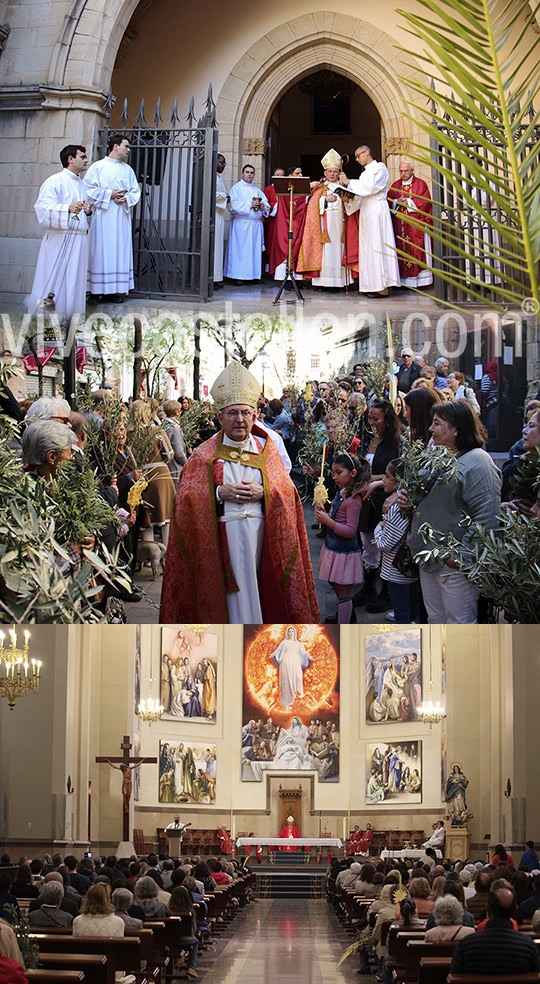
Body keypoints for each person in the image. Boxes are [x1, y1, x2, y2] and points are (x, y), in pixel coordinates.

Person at [160, 362, 319, 623]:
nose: (240, 419)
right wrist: (219, 492)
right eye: (232, 413)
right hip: (223, 538)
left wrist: (265, 491)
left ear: (255, 415)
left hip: (263, 538)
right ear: (220, 418)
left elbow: (288, 493)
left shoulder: (267, 450)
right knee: (230, 599)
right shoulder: (204, 455)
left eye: (245, 412)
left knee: (261, 590)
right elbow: (186, 499)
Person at [403, 400, 501, 622]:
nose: (430, 429)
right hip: (430, 558)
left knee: (459, 623)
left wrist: (461, 556)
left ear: (457, 429)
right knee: (435, 619)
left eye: (437, 424)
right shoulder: (439, 458)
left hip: (453, 564)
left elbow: (487, 516)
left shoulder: (478, 462)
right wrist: (406, 500)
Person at [26, 144, 92, 319]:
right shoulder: (55, 181)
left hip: (79, 240)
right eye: (83, 157)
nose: (86, 161)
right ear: (70, 159)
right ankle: (51, 322)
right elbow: (42, 210)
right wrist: (67, 209)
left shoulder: (81, 184)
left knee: (75, 283)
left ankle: (72, 321)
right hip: (59, 239)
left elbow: (84, 212)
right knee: (58, 280)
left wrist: (87, 211)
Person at [85, 134, 141, 303]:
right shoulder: (98, 167)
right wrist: (109, 194)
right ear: (115, 146)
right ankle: (95, 292)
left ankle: (113, 291)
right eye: (126, 146)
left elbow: (135, 191)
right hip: (103, 217)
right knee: (100, 251)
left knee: (118, 251)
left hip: (120, 217)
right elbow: (87, 189)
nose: (128, 150)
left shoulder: (127, 169)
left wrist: (126, 198)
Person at [315, 451, 370, 623]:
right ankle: (348, 616)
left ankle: (344, 624)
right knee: (335, 584)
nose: (335, 477)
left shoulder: (353, 501)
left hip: (343, 552)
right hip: (334, 548)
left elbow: (350, 530)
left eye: (339, 473)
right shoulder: (343, 493)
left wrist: (328, 522)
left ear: (353, 473)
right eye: (334, 473)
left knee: (343, 593)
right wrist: (325, 512)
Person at [339, 145, 400, 296]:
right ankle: (371, 285)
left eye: (358, 156)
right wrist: (347, 198)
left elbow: (371, 188)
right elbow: (361, 195)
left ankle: (382, 287)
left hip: (377, 210)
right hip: (367, 211)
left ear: (367, 152)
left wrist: (349, 182)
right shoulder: (365, 173)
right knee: (368, 249)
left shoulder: (380, 168)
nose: (357, 159)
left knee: (377, 246)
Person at [297, 148, 355, 288]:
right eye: (330, 172)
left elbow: (353, 206)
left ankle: (341, 282)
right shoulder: (320, 188)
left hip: (340, 225)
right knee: (326, 252)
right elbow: (310, 207)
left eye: (335, 171)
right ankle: (323, 282)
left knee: (340, 250)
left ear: (339, 173)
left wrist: (346, 200)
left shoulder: (345, 186)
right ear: (325, 173)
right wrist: (324, 201)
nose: (332, 174)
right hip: (324, 226)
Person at [449, 887, 540, 975]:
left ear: (488, 909)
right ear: (515, 911)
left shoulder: (466, 946)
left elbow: (454, 976)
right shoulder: (529, 947)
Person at [374, 460, 419, 623]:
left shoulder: (396, 507)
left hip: (396, 570)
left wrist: (379, 527)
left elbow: (385, 544)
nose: (383, 480)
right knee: (410, 608)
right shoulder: (404, 502)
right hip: (404, 569)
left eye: (387, 476)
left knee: (402, 613)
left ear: (399, 481)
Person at [387, 160, 433, 288]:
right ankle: (402, 281)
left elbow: (426, 203)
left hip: (415, 225)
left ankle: (421, 281)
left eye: (406, 171)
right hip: (399, 225)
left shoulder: (421, 184)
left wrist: (410, 202)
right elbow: (388, 202)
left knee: (417, 249)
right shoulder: (395, 186)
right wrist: (396, 201)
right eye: (401, 171)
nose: (403, 174)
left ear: (412, 171)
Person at [224, 164, 270, 283]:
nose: (250, 175)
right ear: (242, 173)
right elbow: (232, 206)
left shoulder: (257, 190)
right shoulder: (236, 189)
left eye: (252, 173)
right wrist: (250, 205)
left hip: (255, 225)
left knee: (254, 251)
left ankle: (253, 276)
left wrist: (262, 206)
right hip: (242, 225)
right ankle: (237, 276)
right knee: (241, 251)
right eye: (247, 172)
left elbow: (267, 206)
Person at [268, 166, 308, 281]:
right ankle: (285, 278)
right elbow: (296, 201)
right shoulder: (285, 190)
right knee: (287, 247)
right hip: (287, 225)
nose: (301, 175)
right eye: (297, 173)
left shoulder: (301, 189)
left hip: (298, 225)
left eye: (301, 173)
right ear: (290, 176)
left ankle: (297, 277)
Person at [270, 626, 313, 707]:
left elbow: (303, 652)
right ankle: (287, 702)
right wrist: (274, 654)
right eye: (289, 631)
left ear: (295, 633)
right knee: (287, 679)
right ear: (287, 633)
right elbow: (278, 650)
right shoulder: (284, 642)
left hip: (295, 661)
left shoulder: (298, 643)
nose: (291, 633)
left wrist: (308, 656)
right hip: (286, 661)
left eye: (292, 631)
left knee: (298, 677)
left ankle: (297, 700)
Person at [214, 153, 228, 288]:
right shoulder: (210, 177)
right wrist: (225, 197)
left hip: (219, 215)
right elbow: (212, 195)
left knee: (218, 248)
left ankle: (216, 277)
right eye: (221, 162)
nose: (223, 165)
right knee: (213, 248)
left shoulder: (219, 178)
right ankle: (210, 278)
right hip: (212, 215)